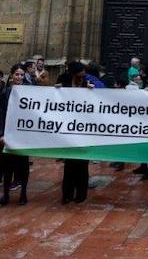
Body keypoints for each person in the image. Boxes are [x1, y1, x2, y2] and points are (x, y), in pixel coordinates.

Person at [0, 64, 30, 207]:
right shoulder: (6, 92)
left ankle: (23, 194)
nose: (19, 77)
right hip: (10, 133)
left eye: (22, 75)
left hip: (23, 134)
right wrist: (1, 133)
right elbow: (2, 113)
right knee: (7, 166)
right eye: (17, 74)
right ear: (11, 75)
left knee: (23, 165)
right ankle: (6, 195)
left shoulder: (30, 92)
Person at [59, 62, 92, 204]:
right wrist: (56, 90)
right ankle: (67, 194)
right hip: (68, 128)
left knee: (82, 165)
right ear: (73, 74)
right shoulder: (64, 83)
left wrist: (92, 91)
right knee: (69, 164)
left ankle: (81, 194)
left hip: (83, 129)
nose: (82, 77)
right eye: (80, 75)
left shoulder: (87, 84)